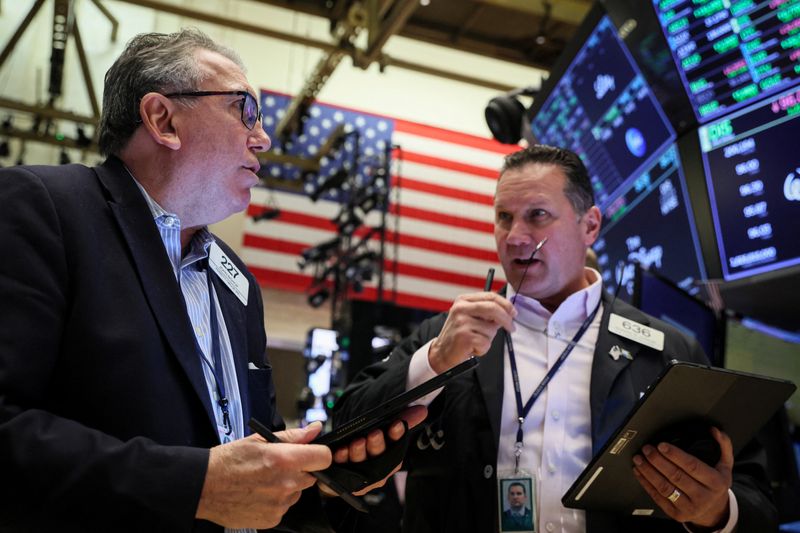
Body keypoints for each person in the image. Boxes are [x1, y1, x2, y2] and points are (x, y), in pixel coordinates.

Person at [0, 28, 424, 532]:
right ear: (163, 119)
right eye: (243, 109)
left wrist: (326, 475)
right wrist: (192, 485)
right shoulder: (43, 208)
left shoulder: (236, 281)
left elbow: (245, 466)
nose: (263, 137)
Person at [333, 145, 777, 533]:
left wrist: (717, 510)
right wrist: (434, 360)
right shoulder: (447, 336)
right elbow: (347, 430)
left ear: (590, 227)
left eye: (537, 216)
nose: (515, 237)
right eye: (503, 217)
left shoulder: (667, 349)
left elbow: (757, 495)